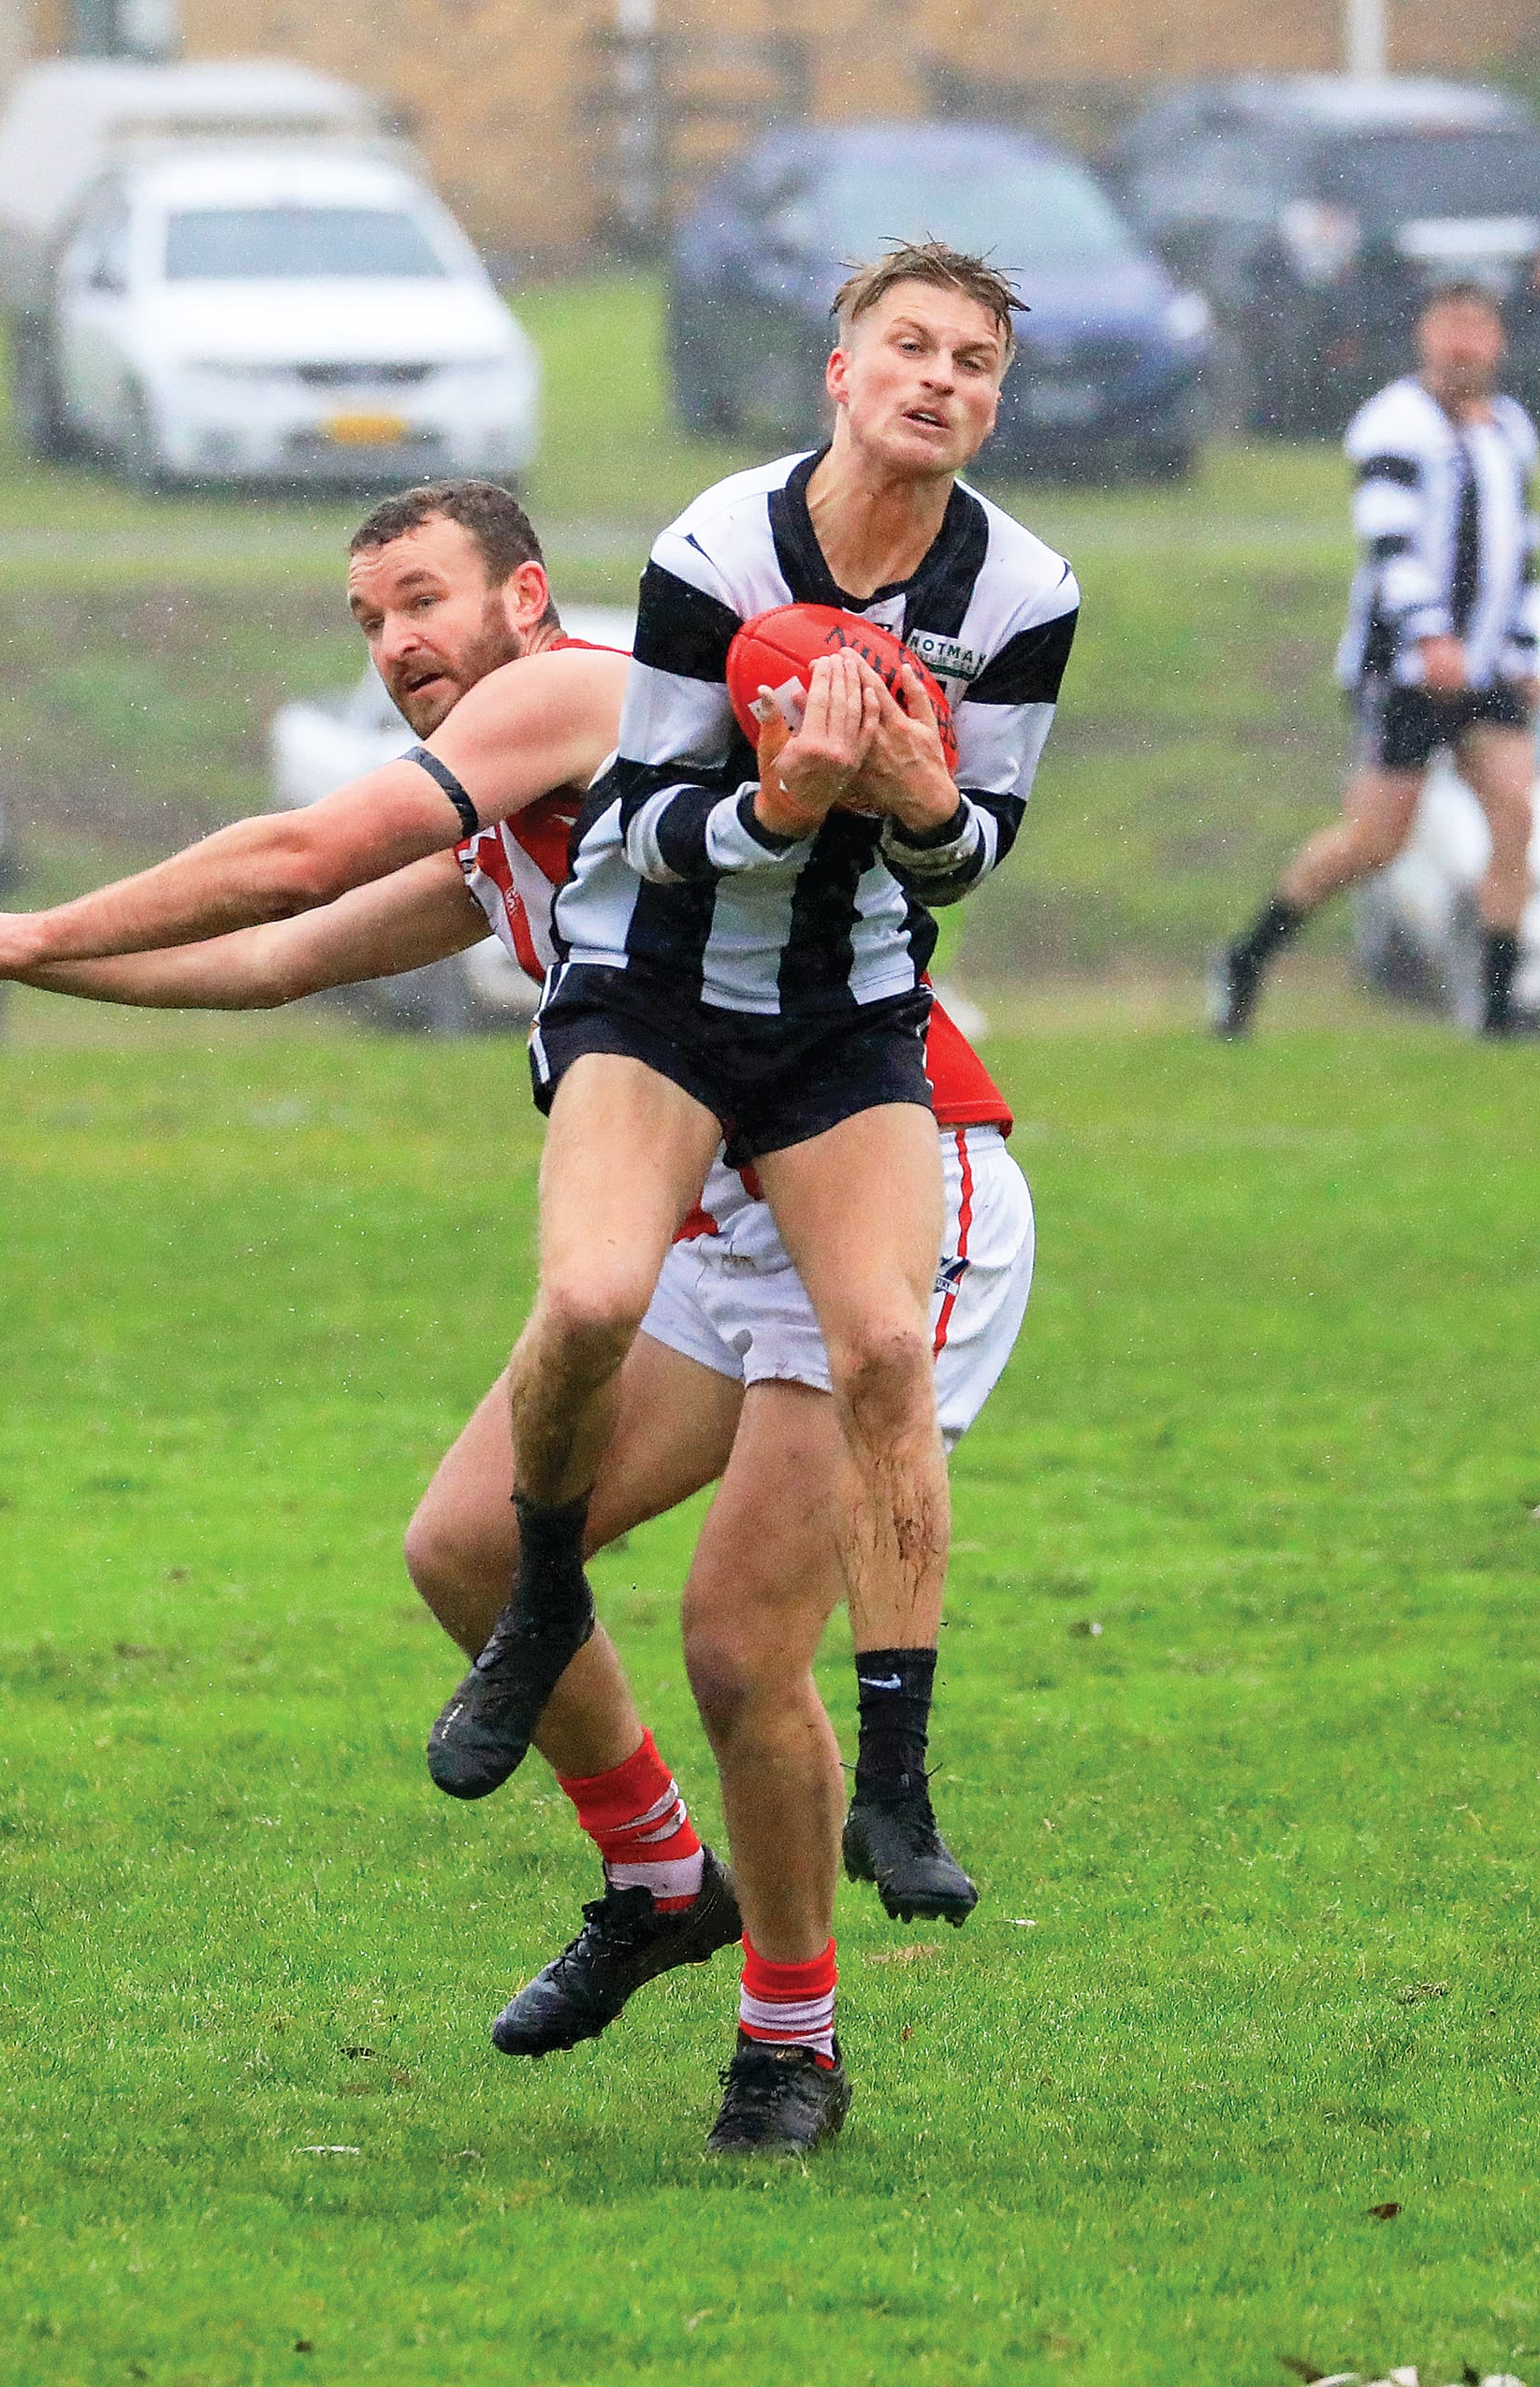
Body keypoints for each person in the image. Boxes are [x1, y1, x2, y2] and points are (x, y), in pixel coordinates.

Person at [0, 478, 1038, 2152]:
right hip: (717, 1222)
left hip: (906, 1183)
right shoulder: (509, 823)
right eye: (369, 622)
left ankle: (793, 2042)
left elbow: (296, 853)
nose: (399, 643)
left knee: (731, 1638)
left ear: (530, 601)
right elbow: (282, 952)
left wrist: (40, 919)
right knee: (468, 1549)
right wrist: (13, 958)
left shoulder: (579, 695)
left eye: (424, 600)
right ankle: (657, 1878)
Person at [426, 242, 1077, 2142]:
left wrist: (897, 798)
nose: (938, 381)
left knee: (748, 1605)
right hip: (681, 1067)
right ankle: (637, 1841)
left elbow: (974, 854)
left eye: (971, 360)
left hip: (866, 1088)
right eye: (907, 348)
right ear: (837, 369)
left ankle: (822, 1959)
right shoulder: (718, 553)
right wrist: (787, 800)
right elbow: (617, 834)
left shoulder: (1019, 593)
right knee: (498, 1476)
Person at [1213, 283, 1538, 1039]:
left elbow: (1518, 556)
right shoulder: (1396, 424)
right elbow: (1390, 547)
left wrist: (1521, 647)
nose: (1464, 344)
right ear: (1426, 335)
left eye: (1477, 328)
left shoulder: (1511, 431)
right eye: (1450, 327)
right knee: (1373, 843)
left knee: (1517, 813)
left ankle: (1496, 1009)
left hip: (1488, 670)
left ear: (1497, 340)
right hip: (1406, 671)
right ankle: (1247, 957)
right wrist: (1431, 637)